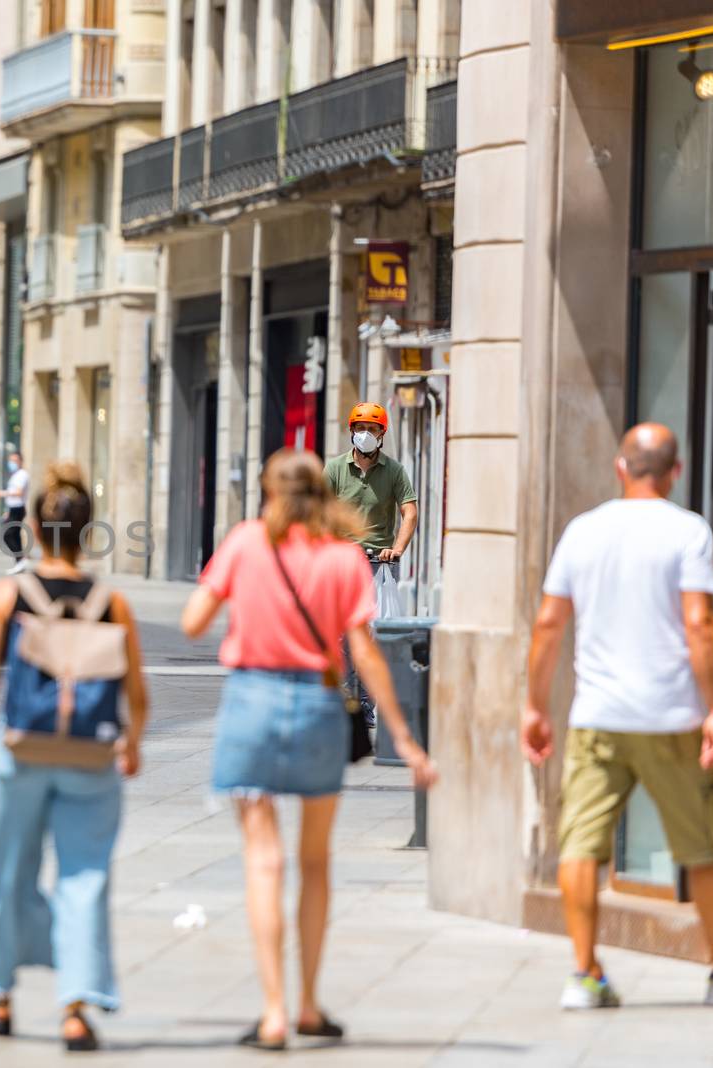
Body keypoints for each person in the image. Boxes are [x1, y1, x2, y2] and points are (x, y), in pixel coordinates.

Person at [180, 449, 436, 1050]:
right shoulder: (343, 558)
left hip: (251, 703)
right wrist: (404, 737)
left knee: (264, 862)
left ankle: (272, 1013)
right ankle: (311, 1004)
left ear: (270, 492)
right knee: (315, 862)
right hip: (320, 707)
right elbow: (366, 652)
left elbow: (193, 621)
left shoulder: (245, 543)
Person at [522, 423, 713, 1010]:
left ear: (619, 467)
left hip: (598, 716)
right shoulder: (689, 531)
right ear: (675, 472)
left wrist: (535, 704)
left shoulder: (583, 532)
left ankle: (584, 974)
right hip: (673, 718)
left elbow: (548, 625)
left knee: (580, 844)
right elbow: (700, 625)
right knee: (704, 848)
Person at [0, 461, 149, 1052]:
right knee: (83, 878)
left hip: (23, 752)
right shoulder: (112, 600)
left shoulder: (8, 595)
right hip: (91, 756)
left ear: (35, 531)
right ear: (88, 533)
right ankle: (75, 1008)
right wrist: (133, 742)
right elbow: (137, 693)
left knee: (11, 871)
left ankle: (2, 991)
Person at [323, 402, 417, 617]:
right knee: (339, 631)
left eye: (372, 429)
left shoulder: (395, 471)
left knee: (378, 630)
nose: (365, 434)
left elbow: (410, 512)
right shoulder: (335, 469)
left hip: (380, 562)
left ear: (382, 433)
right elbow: (320, 511)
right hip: (342, 562)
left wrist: (397, 550)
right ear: (352, 431)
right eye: (360, 428)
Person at [0, 451, 31, 574]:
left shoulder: (22, 475)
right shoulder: (15, 475)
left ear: (20, 461)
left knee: (8, 534)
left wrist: (2, 493)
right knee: (15, 535)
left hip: (18, 508)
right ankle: (19, 562)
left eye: (15, 460)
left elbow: (19, 492)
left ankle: (21, 559)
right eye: (11, 460)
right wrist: (7, 511)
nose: (12, 463)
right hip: (12, 509)